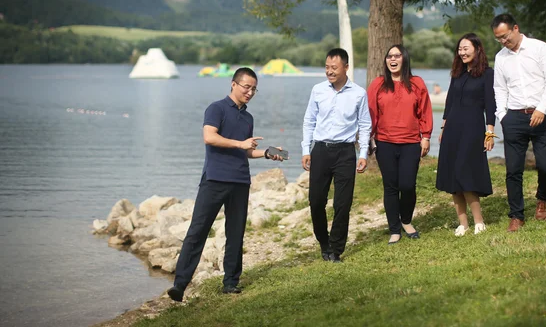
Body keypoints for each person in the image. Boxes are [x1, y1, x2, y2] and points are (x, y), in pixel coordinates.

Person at [167, 68, 284, 301]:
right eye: (246, 87)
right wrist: (241, 144)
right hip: (215, 179)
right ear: (233, 84)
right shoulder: (216, 108)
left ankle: (230, 282)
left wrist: (266, 154)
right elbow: (210, 137)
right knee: (197, 231)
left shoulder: (248, 118)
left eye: (254, 89)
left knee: (235, 233)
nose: (250, 92)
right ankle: (180, 285)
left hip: (240, 181)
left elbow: (246, 151)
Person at [301, 48, 371, 263]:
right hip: (320, 150)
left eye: (334, 68)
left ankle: (336, 249)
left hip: (345, 152)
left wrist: (363, 153)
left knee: (343, 203)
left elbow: (365, 124)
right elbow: (309, 121)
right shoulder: (318, 90)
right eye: (327, 67)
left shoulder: (359, 93)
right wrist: (306, 149)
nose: (329, 72)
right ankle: (324, 243)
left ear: (346, 68)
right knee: (316, 201)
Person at [491, 14, 546, 232]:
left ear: (516, 28)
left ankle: (542, 199)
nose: (503, 41)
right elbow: (499, 88)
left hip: (542, 114)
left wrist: (542, 108)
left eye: (505, 36)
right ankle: (516, 215)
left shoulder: (539, 48)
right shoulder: (501, 58)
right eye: (498, 38)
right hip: (514, 118)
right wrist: (503, 116)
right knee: (513, 170)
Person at [367, 44, 433, 244]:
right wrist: (368, 138)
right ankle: (394, 229)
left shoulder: (416, 83)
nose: (392, 59)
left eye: (397, 56)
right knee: (391, 186)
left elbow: (425, 110)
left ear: (404, 58)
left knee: (407, 184)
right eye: (389, 56)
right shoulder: (378, 84)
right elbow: (369, 113)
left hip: (411, 142)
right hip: (384, 142)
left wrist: (426, 136)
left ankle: (406, 221)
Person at [436, 33, 496, 236]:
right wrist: (443, 129)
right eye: (459, 49)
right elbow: (449, 103)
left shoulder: (487, 74)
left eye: (466, 48)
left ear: (477, 49)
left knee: (466, 173)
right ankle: (463, 223)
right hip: (452, 129)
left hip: (473, 130)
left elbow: (490, 105)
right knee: (453, 177)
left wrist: (490, 134)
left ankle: (479, 221)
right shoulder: (457, 74)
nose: (462, 52)